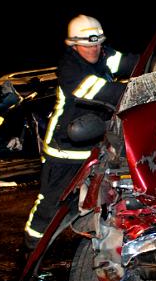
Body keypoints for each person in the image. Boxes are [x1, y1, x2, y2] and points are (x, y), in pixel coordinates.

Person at [23, 14, 148, 250]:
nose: (95, 49)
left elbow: (133, 63)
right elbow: (105, 92)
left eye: (98, 43)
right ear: (73, 45)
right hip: (65, 150)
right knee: (52, 202)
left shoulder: (103, 55)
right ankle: (32, 245)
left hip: (96, 143)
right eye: (88, 44)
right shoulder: (70, 70)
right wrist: (143, 88)